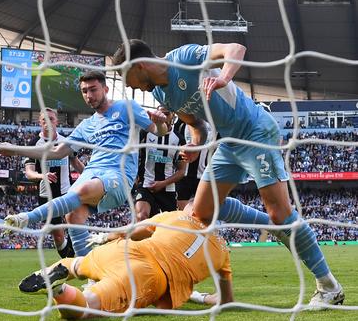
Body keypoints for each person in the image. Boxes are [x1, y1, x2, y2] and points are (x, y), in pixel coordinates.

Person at [111, 39, 343, 307]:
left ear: (139, 66)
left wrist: (223, 77)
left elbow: (236, 48)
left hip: (254, 131)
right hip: (228, 142)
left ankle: (329, 287)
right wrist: (195, 144)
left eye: (126, 77)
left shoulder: (183, 58)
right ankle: (271, 235)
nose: (129, 85)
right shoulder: (161, 95)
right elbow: (197, 125)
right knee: (202, 211)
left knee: (281, 212)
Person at [0, 70, 168, 257]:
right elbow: (56, 152)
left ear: (106, 88)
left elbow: (159, 131)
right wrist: (14, 149)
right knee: (73, 216)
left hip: (118, 175)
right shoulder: (87, 125)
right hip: (92, 171)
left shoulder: (126, 107)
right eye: (84, 91)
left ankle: (25, 218)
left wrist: (160, 123)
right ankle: (89, 274)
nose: (89, 95)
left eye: (93, 89)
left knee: (82, 190)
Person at [18, 208, 233, 320]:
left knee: (78, 264)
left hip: (127, 248)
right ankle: (59, 291)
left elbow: (129, 231)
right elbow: (225, 300)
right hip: (149, 275)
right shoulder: (223, 252)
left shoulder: (176, 216)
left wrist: (105, 238)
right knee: (89, 305)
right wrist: (199, 296)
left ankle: (54, 271)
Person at [23, 107, 84, 258]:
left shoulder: (66, 142)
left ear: (57, 121)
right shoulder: (33, 143)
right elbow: (29, 173)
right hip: (46, 196)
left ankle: (78, 259)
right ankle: (68, 261)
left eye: (51, 119)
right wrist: (42, 176)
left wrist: (93, 175)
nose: (48, 123)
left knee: (74, 224)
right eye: (44, 120)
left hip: (67, 192)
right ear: (40, 123)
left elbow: (76, 163)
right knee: (58, 236)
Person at [133, 108, 186, 221]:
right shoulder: (145, 133)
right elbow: (132, 155)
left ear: (173, 116)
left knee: (169, 226)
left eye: (166, 114)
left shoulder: (179, 139)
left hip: (168, 189)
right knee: (141, 216)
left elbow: (181, 171)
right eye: (160, 113)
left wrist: (162, 184)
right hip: (146, 185)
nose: (163, 117)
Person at [174, 118, 212, 210]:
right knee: (182, 213)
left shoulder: (215, 122)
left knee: (202, 213)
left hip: (204, 176)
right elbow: (174, 141)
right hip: (183, 176)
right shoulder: (182, 122)